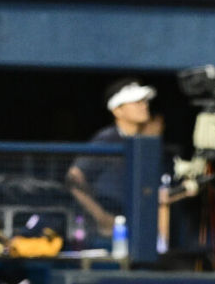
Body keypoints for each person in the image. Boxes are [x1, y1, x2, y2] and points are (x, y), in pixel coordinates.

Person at [66, 77, 162, 238]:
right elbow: (73, 179)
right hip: (106, 236)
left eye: (144, 101)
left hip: (136, 229)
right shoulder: (107, 139)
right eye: (136, 102)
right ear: (117, 110)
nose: (144, 106)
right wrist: (101, 217)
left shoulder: (141, 142)